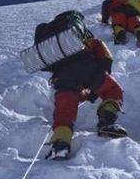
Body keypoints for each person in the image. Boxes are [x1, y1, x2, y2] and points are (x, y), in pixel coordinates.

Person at [44, 19, 127, 160]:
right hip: (87, 69)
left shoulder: (58, 52)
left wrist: (86, 92)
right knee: (113, 90)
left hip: (62, 78)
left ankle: (60, 144)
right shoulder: (91, 42)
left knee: (64, 110)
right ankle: (106, 122)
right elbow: (106, 59)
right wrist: (99, 83)